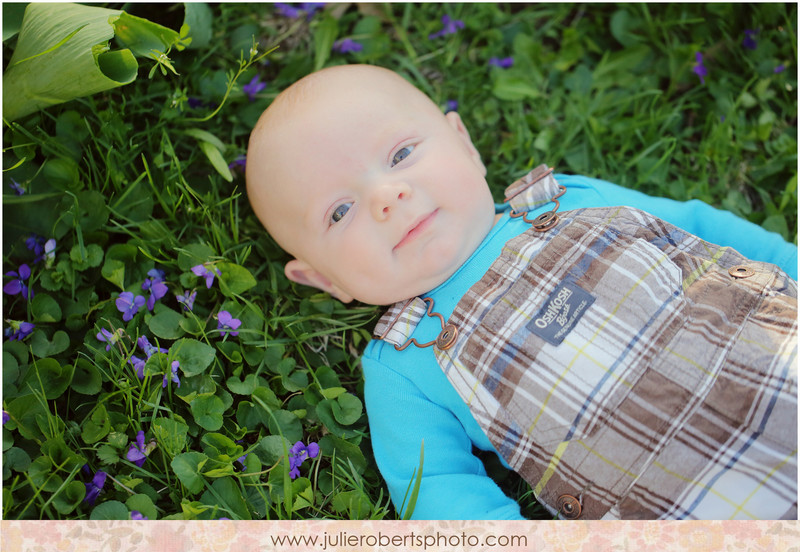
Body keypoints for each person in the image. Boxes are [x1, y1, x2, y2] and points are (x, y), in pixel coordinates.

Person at [245, 64, 798, 520]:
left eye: (400, 155)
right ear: (325, 279)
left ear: (465, 146)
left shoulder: (572, 200)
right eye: (340, 211)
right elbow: (436, 489)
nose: (387, 195)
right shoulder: (403, 368)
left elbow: (703, 229)